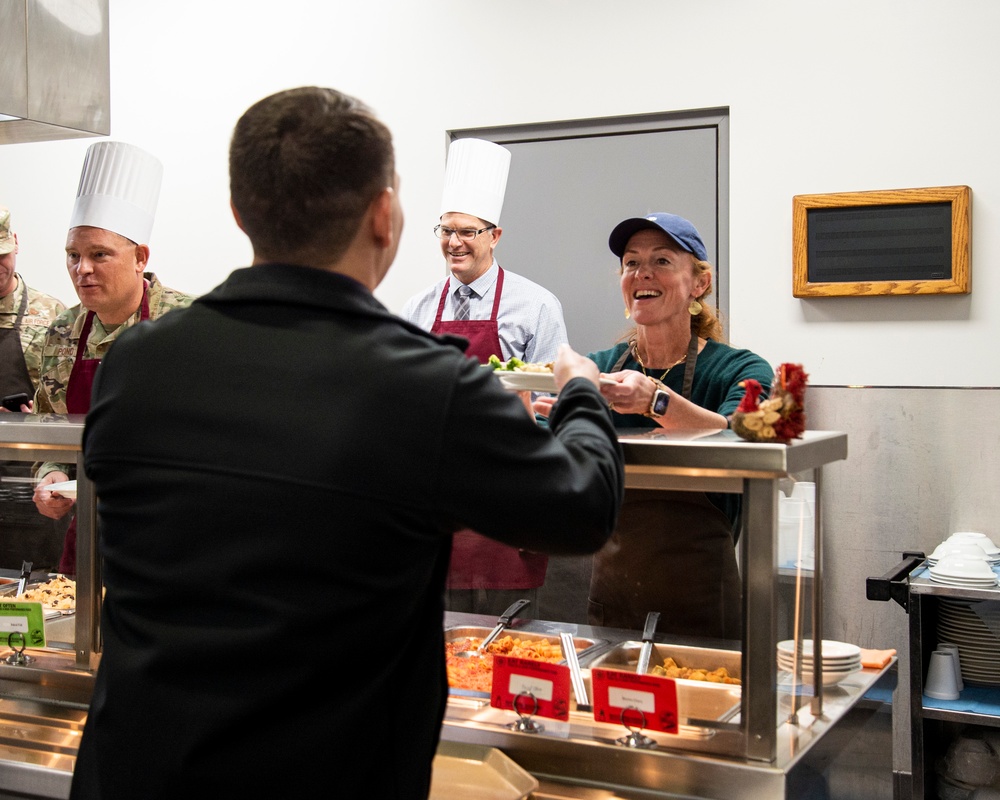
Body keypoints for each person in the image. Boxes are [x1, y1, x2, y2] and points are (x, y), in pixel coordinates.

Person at [68, 86, 624, 800]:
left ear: (240, 214)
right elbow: (584, 505)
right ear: (385, 218)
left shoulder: (135, 365)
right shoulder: (427, 386)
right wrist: (579, 387)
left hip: (135, 772)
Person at [540, 212, 773, 639]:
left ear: (699, 283)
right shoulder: (601, 368)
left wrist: (656, 401)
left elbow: (744, 435)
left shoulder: (740, 367)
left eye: (662, 261)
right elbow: (559, 462)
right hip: (613, 594)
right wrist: (534, 417)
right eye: (631, 263)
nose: (642, 273)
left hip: (704, 599)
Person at [401, 138, 570, 617]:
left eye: (468, 232)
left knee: (513, 642)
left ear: (495, 235)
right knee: (439, 644)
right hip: (436, 502)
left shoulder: (536, 305)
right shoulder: (417, 307)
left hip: (508, 498)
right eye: (446, 230)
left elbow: (554, 404)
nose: (454, 242)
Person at [31, 141, 195, 576]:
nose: (81, 269)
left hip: (175, 537)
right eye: (73, 255)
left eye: (99, 254)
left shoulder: (189, 325)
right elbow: (51, 431)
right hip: (89, 537)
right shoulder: (61, 331)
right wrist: (50, 475)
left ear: (140, 257)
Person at [0, 206, 67, 409]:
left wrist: (37, 421)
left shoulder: (55, 315)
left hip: (28, 439)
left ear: (16, 244)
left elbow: (69, 399)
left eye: (1, 254)